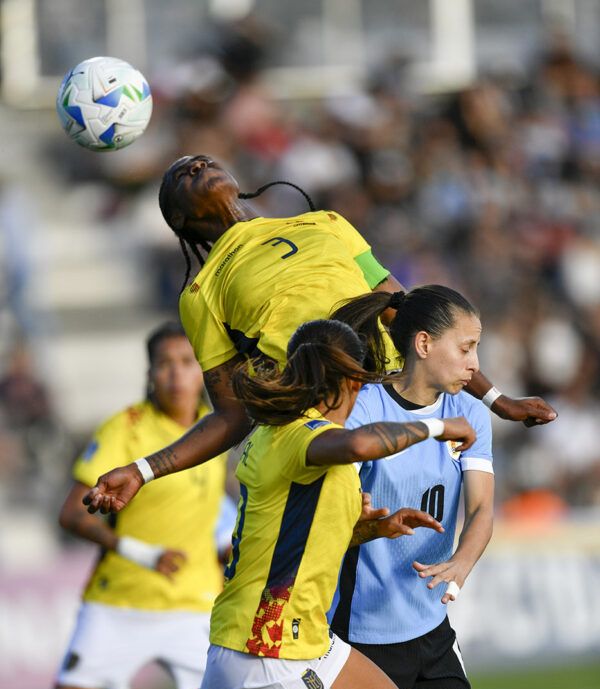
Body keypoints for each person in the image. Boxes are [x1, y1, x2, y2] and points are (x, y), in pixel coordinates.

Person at [0, 323, 328, 689]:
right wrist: (140, 551)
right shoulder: (125, 430)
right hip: (118, 608)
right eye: (166, 363)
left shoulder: (219, 430)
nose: (177, 373)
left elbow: (222, 519)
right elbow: (72, 514)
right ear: (149, 371)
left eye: (185, 360)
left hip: (195, 616)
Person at [167, 318, 479, 689]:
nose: (363, 393)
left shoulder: (303, 437)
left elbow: (311, 537)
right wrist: (438, 425)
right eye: (359, 381)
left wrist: (375, 527)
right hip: (264, 659)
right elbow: (360, 443)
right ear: (341, 382)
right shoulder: (296, 435)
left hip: (307, 640)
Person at [82, 154, 556, 519]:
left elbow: (412, 317)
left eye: (203, 160)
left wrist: (496, 400)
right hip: (333, 418)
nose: (197, 164)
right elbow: (231, 414)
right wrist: (145, 471)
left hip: (400, 392)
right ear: (179, 220)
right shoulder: (202, 293)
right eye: (182, 177)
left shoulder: (323, 221)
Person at [320, 285, 495, 689]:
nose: (476, 365)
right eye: (466, 348)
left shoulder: (469, 414)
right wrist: (370, 521)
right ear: (423, 344)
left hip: (428, 630)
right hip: (364, 637)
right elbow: (332, 523)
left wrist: (461, 563)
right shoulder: (362, 410)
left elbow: (481, 512)